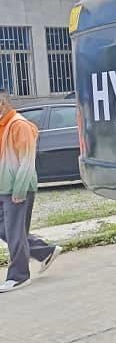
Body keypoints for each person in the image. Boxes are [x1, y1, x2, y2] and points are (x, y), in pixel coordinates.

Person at [0, 85, 61, 291]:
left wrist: (19, 191)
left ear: (2, 102)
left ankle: (19, 276)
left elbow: (27, 161)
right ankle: (44, 251)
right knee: (8, 230)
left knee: (15, 232)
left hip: (17, 190)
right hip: (2, 189)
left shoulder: (20, 125)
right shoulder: (2, 126)